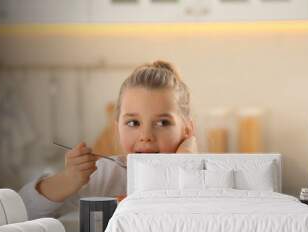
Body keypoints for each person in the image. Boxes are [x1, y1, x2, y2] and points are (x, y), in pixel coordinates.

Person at [19, 60, 198, 219]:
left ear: (187, 131)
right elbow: (20, 212)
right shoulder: (106, 175)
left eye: (162, 122)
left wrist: (186, 163)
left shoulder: (206, 176)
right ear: (117, 128)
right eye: (133, 122)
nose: (145, 136)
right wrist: (68, 178)